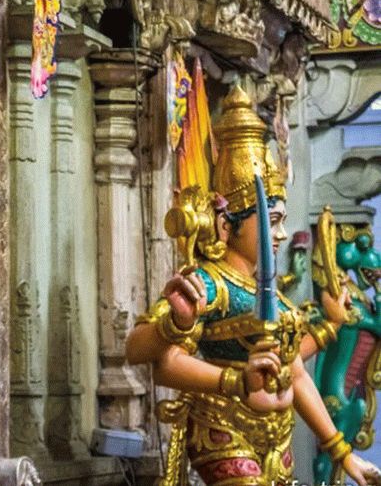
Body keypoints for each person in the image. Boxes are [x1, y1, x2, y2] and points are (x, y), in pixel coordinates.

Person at [125, 87, 381, 485]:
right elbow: (150, 356)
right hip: (222, 432)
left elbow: (296, 376)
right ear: (227, 225)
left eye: (278, 221)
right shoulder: (210, 284)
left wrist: (344, 455)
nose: (277, 234)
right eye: (270, 221)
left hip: (278, 442)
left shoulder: (274, 298)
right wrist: (228, 375)